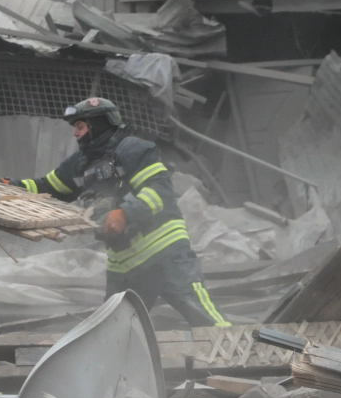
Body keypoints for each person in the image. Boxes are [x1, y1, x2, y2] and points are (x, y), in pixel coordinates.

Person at [37, 98, 229, 328]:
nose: (75, 134)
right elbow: (45, 188)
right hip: (124, 267)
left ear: (98, 125)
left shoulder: (134, 150)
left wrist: (125, 213)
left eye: (80, 126)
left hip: (165, 255)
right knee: (114, 333)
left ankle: (242, 359)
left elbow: (160, 192)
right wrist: (3, 185)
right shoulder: (80, 164)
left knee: (205, 317)